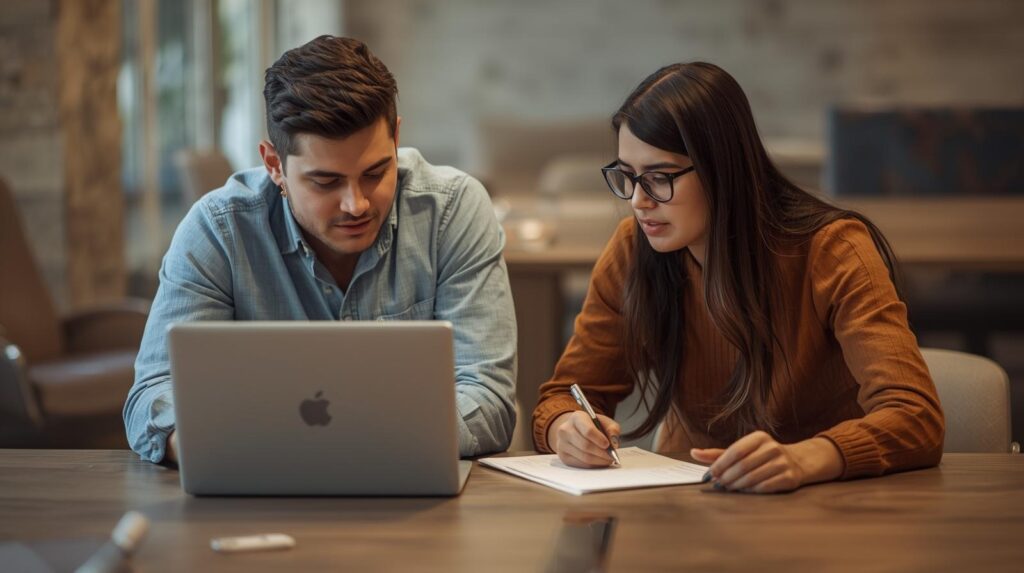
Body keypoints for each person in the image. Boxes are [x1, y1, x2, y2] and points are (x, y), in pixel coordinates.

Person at [532, 62, 944, 493]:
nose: (638, 201)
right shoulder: (633, 250)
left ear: (721, 168)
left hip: (829, 504)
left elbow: (915, 415)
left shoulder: (834, 249)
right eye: (628, 177)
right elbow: (566, 394)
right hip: (696, 502)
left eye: (658, 178)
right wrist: (566, 426)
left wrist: (808, 456)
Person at [125, 36, 517, 464]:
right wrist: (228, 452)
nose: (357, 204)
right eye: (326, 182)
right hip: (258, 490)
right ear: (275, 165)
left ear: (396, 137)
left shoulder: (452, 210)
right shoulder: (219, 229)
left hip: (414, 505)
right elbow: (154, 396)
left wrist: (315, 447)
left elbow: (488, 397)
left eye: (375, 172)